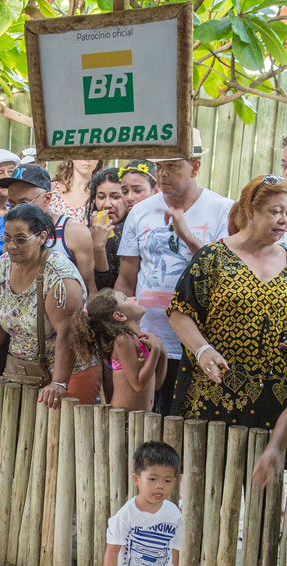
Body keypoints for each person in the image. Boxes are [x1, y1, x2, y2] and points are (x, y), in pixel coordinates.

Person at [116, 130, 233, 416]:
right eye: (159, 166)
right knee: (145, 423)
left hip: (199, 343)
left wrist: (188, 236)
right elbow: (127, 276)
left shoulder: (223, 210)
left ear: (195, 166)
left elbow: (226, 276)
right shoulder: (141, 211)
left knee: (188, 426)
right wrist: (121, 329)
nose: (163, 173)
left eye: (172, 165)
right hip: (147, 340)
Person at [167, 174, 287, 429]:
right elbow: (179, 312)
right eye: (276, 211)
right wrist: (201, 350)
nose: (283, 220)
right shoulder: (213, 257)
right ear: (251, 210)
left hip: (276, 396)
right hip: (215, 391)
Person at [0, 204, 95, 409]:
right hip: (24, 371)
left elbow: (68, 332)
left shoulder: (59, 276)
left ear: (41, 237)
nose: (12, 246)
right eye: (7, 238)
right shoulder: (4, 265)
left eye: (21, 239)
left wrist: (59, 382)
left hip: (69, 373)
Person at [104, 441, 182, 566]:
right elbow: (111, 553)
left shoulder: (174, 514)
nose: (159, 486)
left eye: (167, 480)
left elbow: (174, 550)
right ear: (136, 479)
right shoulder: (126, 514)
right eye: (153, 478)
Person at [0, 164, 96, 297]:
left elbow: (89, 290)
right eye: (12, 205)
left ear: (47, 198)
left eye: (24, 203)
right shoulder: (12, 238)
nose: (17, 211)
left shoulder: (74, 232)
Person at [71, 290, 167, 412]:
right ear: (120, 316)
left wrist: (162, 353)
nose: (133, 297)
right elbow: (138, 385)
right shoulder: (123, 340)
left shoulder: (138, 339)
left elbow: (156, 384)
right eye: (126, 298)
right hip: (124, 418)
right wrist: (156, 351)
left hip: (143, 417)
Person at [86, 167, 126, 290]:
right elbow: (101, 288)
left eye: (116, 197)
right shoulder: (87, 233)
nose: (107, 204)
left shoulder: (137, 231)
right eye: (101, 197)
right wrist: (98, 247)